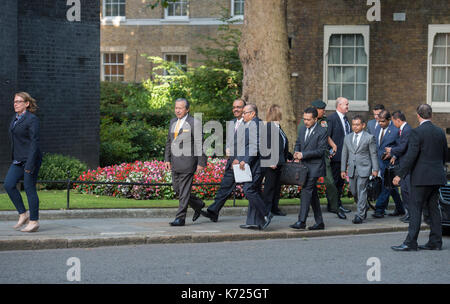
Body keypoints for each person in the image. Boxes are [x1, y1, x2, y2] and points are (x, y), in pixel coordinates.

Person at [391, 104, 448, 251]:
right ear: (431, 115)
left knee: (415, 209)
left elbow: (411, 156)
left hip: (421, 178)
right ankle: (436, 242)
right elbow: (445, 155)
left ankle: (411, 243)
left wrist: (399, 175)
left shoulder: (416, 132)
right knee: (434, 209)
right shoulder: (440, 132)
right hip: (437, 177)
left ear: (418, 115)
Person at [199, 98, 246, 222]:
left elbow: (250, 145)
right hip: (232, 162)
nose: (235, 109)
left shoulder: (249, 124)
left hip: (244, 163)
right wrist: (227, 150)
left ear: (244, 109)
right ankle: (213, 212)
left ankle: (265, 213)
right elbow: (230, 142)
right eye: (234, 107)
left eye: (239, 107)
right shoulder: (231, 123)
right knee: (225, 187)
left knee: (251, 191)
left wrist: (239, 158)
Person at [298, 99, 346, 219]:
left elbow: (325, 135)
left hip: (322, 156)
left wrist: (333, 145)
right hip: (309, 157)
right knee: (309, 186)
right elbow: (301, 139)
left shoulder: (324, 121)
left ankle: (335, 207)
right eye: (321, 110)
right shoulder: (304, 123)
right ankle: (308, 213)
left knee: (329, 181)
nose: (324, 111)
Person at [164, 98, 207, 226]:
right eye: (176, 108)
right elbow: (168, 142)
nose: (177, 110)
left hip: (188, 162)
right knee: (177, 189)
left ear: (187, 109)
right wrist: (167, 159)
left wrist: (201, 162)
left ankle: (180, 218)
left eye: (180, 108)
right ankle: (198, 204)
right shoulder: (173, 122)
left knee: (183, 191)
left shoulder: (194, 122)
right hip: (175, 161)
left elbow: (201, 144)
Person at [4, 92, 42, 233]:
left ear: (27, 104)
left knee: (29, 187)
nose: (15, 104)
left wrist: (30, 165)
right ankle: (23, 214)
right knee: (8, 184)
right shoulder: (15, 118)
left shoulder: (32, 119)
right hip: (18, 159)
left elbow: (34, 143)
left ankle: (34, 221)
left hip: (30, 159)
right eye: (14, 101)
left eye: (19, 101)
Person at [235, 104, 273, 230]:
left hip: (257, 164)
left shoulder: (255, 125)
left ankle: (266, 213)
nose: (243, 115)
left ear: (252, 114)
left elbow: (255, 146)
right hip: (255, 164)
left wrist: (245, 160)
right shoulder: (252, 124)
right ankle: (253, 221)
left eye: (245, 112)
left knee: (249, 190)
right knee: (254, 190)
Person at [290, 107, 327, 230]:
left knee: (306, 192)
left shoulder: (322, 131)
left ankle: (301, 221)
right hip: (304, 167)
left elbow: (321, 151)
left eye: (308, 119)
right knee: (312, 195)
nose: (305, 121)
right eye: (304, 119)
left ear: (316, 119)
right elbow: (298, 143)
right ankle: (320, 222)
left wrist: (303, 155)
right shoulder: (301, 129)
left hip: (315, 167)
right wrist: (296, 152)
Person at [341, 115, 379, 224]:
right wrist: (343, 170)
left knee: (362, 190)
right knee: (354, 191)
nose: (355, 127)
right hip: (352, 169)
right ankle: (364, 206)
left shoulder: (369, 137)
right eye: (353, 125)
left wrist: (375, 169)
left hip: (364, 168)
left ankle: (360, 215)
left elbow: (373, 154)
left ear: (363, 125)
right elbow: (344, 154)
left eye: (357, 125)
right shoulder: (347, 137)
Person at [372, 110, 405, 218]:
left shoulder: (396, 130)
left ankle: (379, 209)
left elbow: (401, 146)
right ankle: (400, 208)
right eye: (379, 121)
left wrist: (393, 155)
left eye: (382, 121)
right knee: (392, 187)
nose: (380, 123)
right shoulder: (377, 128)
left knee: (386, 186)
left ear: (389, 120)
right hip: (379, 162)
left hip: (390, 164)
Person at [261, 104, 291, 216]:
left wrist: (290, 155)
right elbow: (265, 146)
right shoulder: (268, 127)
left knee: (277, 187)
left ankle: (274, 208)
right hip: (272, 163)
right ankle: (266, 210)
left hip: (280, 162)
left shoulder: (278, 127)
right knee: (269, 187)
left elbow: (281, 145)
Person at [384, 111, 412, 223]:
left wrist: (391, 151)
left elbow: (403, 147)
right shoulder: (404, 130)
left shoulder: (407, 130)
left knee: (406, 191)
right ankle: (408, 213)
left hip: (406, 165)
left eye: (393, 121)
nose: (393, 124)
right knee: (404, 191)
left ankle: (410, 215)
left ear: (398, 120)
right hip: (402, 163)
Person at [326, 97, 352, 214]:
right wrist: (331, 151)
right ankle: (333, 205)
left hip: (345, 156)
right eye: (345, 104)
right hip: (336, 157)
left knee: (341, 183)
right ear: (339, 105)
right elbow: (327, 136)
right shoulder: (331, 119)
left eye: (347, 104)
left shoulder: (346, 119)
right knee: (335, 182)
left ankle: (337, 203)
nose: (347, 106)